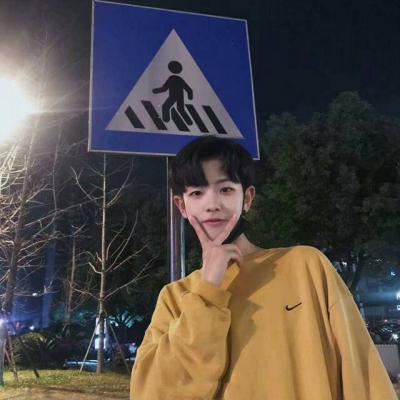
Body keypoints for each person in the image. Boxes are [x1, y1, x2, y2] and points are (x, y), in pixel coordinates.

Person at [130, 135, 396, 399]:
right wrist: (208, 288)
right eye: (197, 193)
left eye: (225, 190)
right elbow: (154, 392)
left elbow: (362, 371)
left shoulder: (305, 266)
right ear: (182, 206)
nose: (212, 205)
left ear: (247, 198)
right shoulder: (175, 297)